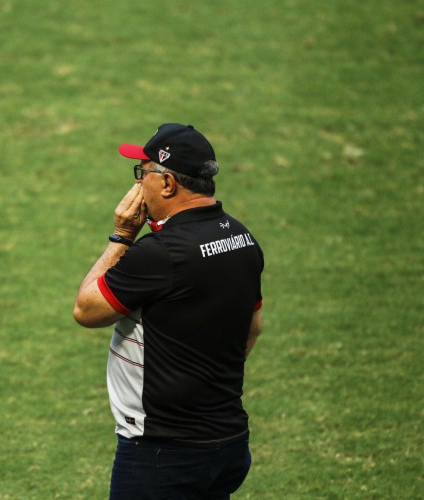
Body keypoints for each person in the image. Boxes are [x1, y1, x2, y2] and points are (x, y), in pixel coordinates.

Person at [73, 123, 264, 499]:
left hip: (163, 453)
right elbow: (252, 328)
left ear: (168, 184)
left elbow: (87, 309)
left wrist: (122, 236)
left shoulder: (160, 253)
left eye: (141, 174)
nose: (137, 185)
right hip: (228, 444)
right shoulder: (243, 239)